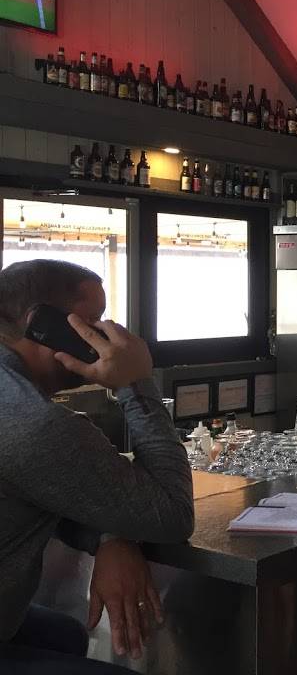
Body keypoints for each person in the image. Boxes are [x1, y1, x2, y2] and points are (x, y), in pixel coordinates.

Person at [0, 260, 194, 673]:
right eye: (94, 322)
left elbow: (40, 486)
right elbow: (172, 514)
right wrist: (134, 383)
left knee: (65, 637)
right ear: (41, 325)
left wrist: (110, 535)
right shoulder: (36, 422)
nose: (107, 336)